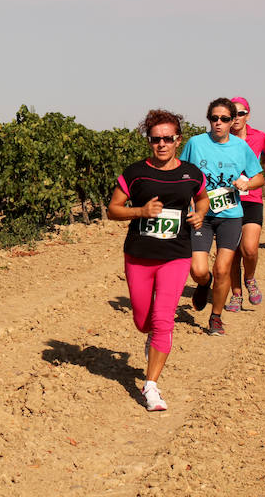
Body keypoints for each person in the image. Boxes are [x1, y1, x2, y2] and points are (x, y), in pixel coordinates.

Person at [108, 109, 209, 410]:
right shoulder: (135, 173)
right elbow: (113, 209)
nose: (162, 144)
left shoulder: (191, 173)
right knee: (144, 321)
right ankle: (150, 337)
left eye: (168, 138)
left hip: (176, 255)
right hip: (139, 255)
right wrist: (140, 211)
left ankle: (150, 386)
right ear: (149, 141)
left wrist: (200, 214)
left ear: (179, 139)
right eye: (156, 139)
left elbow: (202, 198)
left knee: (164, 320)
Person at [180, 98, 264, 336]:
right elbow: (182, 172)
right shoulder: (196, 143)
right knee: (198, 270)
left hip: (231, 216)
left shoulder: (240, 147)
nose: (219, 123)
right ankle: (203, 284)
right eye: (214, 118)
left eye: (224, 119)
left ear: (232, 121)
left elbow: (257, 176)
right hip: (202, 216)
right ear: (209, 119)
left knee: (222, 268)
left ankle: (215, 317)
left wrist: (246, 182)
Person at [226, 97, 265, 312]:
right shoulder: (221, 139)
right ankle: (236, 294)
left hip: (252, 199)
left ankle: (250, 278)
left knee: (249, 249)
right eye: (233, 114)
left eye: (241, 113)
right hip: (227, 200)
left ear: (248, 115)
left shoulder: (260, 137)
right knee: (233, 253)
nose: (237, 118)